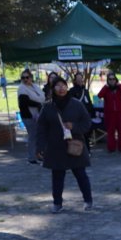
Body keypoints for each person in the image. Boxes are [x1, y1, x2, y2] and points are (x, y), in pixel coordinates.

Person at [35, 76, 93, 213]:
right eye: (58, 86)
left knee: (80, 174)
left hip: (74, 145)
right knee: (57, 177)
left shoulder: (76, 104)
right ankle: (57, 203)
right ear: (53, 88)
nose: (61, 88)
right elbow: (41, 128)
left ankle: (88, 200)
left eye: (63, 85)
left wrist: (74, 126)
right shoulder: (48, 107)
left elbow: (87, 123)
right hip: (56, 146)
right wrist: (40, 146)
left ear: (67, 87)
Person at [17, 70, 45, 164]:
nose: (25, 79)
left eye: (27, 77)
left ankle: (37, 155)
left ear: (31, 78)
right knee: (32, 136)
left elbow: (42, 97)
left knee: (38, 136)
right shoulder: (22, 88)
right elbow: (24, 102)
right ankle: (31, 158)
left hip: (38, 115)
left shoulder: (35, 86)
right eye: (23, 78)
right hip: (29, 116)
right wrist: (38, 104)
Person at [97, 72, 121, 152]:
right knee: (110, 132)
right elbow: (99, 96)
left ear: (116, 79)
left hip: (120, 113)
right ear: (108, 80)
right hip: (110, 114)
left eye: (113, 79)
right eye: (110, 79)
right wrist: (105, 87)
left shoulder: (119, 88)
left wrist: (119, 85)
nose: (112, 81)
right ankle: (111, 148)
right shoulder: (106, 89)